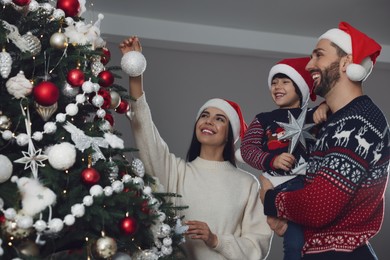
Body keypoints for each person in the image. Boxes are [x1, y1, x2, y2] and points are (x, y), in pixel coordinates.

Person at [119, 36, 272, 260]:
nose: (209, 121)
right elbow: (144, 131)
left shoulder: (247, 184)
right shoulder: (176, 172)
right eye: (204, 115)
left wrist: (215, 240)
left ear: (231, 134)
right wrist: (135, 72)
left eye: (220, 119)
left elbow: (257, 245)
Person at [259, 21, 390, 260]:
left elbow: (318, 206)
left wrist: (270, 198)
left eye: (319, 55)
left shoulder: (359, 121)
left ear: (346, 63)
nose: (309, 65)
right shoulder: (335, 121)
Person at [240, 57, 328, 260]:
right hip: (283, 185)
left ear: (299, 87)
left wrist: (326, 106)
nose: (277, 86)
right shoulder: (264, 119)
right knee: (295, 243)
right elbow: (247, 149)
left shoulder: (314, 115)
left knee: (317, 241)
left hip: (312, 185)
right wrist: (273, 160)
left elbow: (340, 112)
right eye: (274, 82)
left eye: (285, 81)